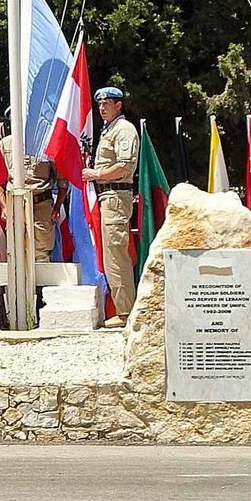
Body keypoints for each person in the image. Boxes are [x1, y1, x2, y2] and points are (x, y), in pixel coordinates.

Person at [84, 86, 139, 325]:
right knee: (111, 254)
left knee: (116, 254)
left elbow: (125, 166)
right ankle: (123, 309)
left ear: (119, 105)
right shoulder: (110, 131)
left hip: (116, 196)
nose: (102, 108)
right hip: (109, 196)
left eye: (107, 103)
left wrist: (97, 174)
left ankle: (126, 312)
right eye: (99, 104)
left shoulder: (123, 129)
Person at [0, 131, 61, 264]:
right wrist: (4, 206)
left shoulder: (47, 141)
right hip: (15, 204)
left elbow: (62, 179)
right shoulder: (5, 144)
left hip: (41, 203)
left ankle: (41, 283)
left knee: (42, 250)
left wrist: (57, 206)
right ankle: (16, 284)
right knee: (16, 250)